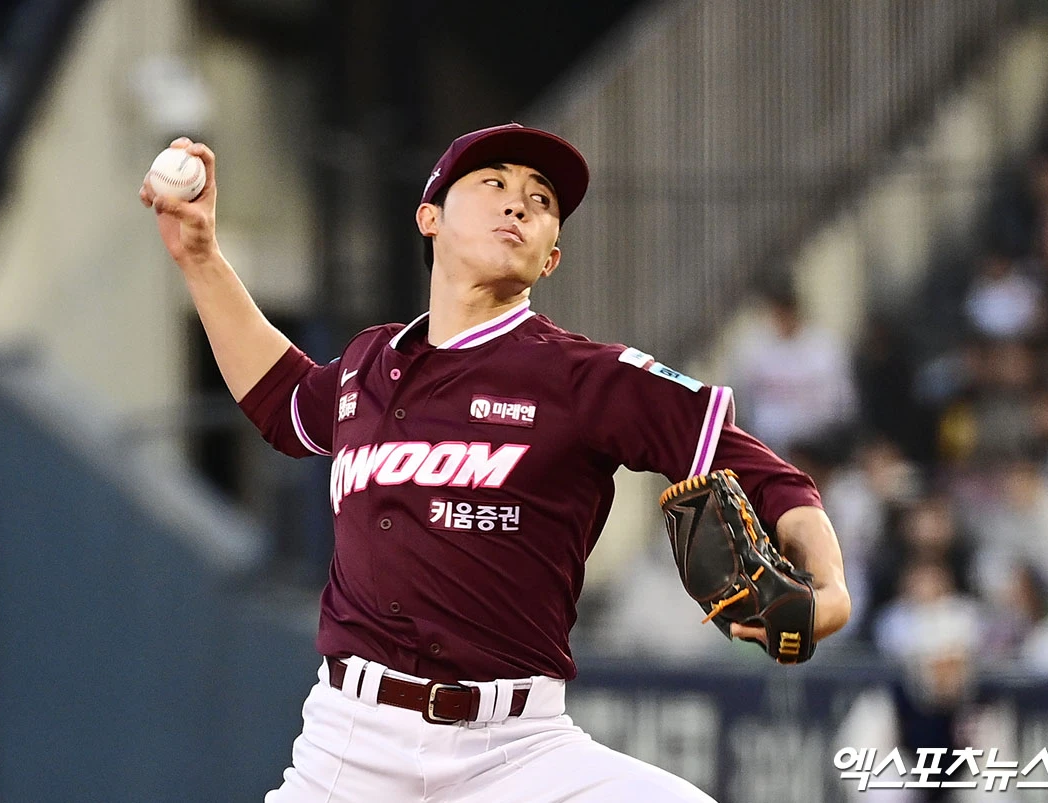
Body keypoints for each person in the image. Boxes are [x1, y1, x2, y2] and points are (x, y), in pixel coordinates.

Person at [140, 123, 851, 802]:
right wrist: (200, 257)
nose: (519, 204)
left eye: (541, 201)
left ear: (550, 258)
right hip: (351, 747)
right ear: (429, 218)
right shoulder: (367, 364)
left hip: (518, 752)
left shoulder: (585, 377)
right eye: (493, 183)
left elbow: (773, 479)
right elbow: (284, 400)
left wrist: (830, 591)